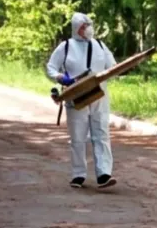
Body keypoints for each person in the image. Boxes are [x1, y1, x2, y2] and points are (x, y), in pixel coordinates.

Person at [45, 12, 117, 189]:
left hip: (99, 96)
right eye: (84, 26)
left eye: (89, 25)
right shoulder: (66, 46)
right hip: (75, 97)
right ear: (77, 28)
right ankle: (78, 174)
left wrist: (114, 72)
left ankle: (104, 174)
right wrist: (62, 78)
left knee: (101, 134)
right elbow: (51, 67)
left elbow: (112, 66)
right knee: (78, 137)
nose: (88, 29)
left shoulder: (100, 45)